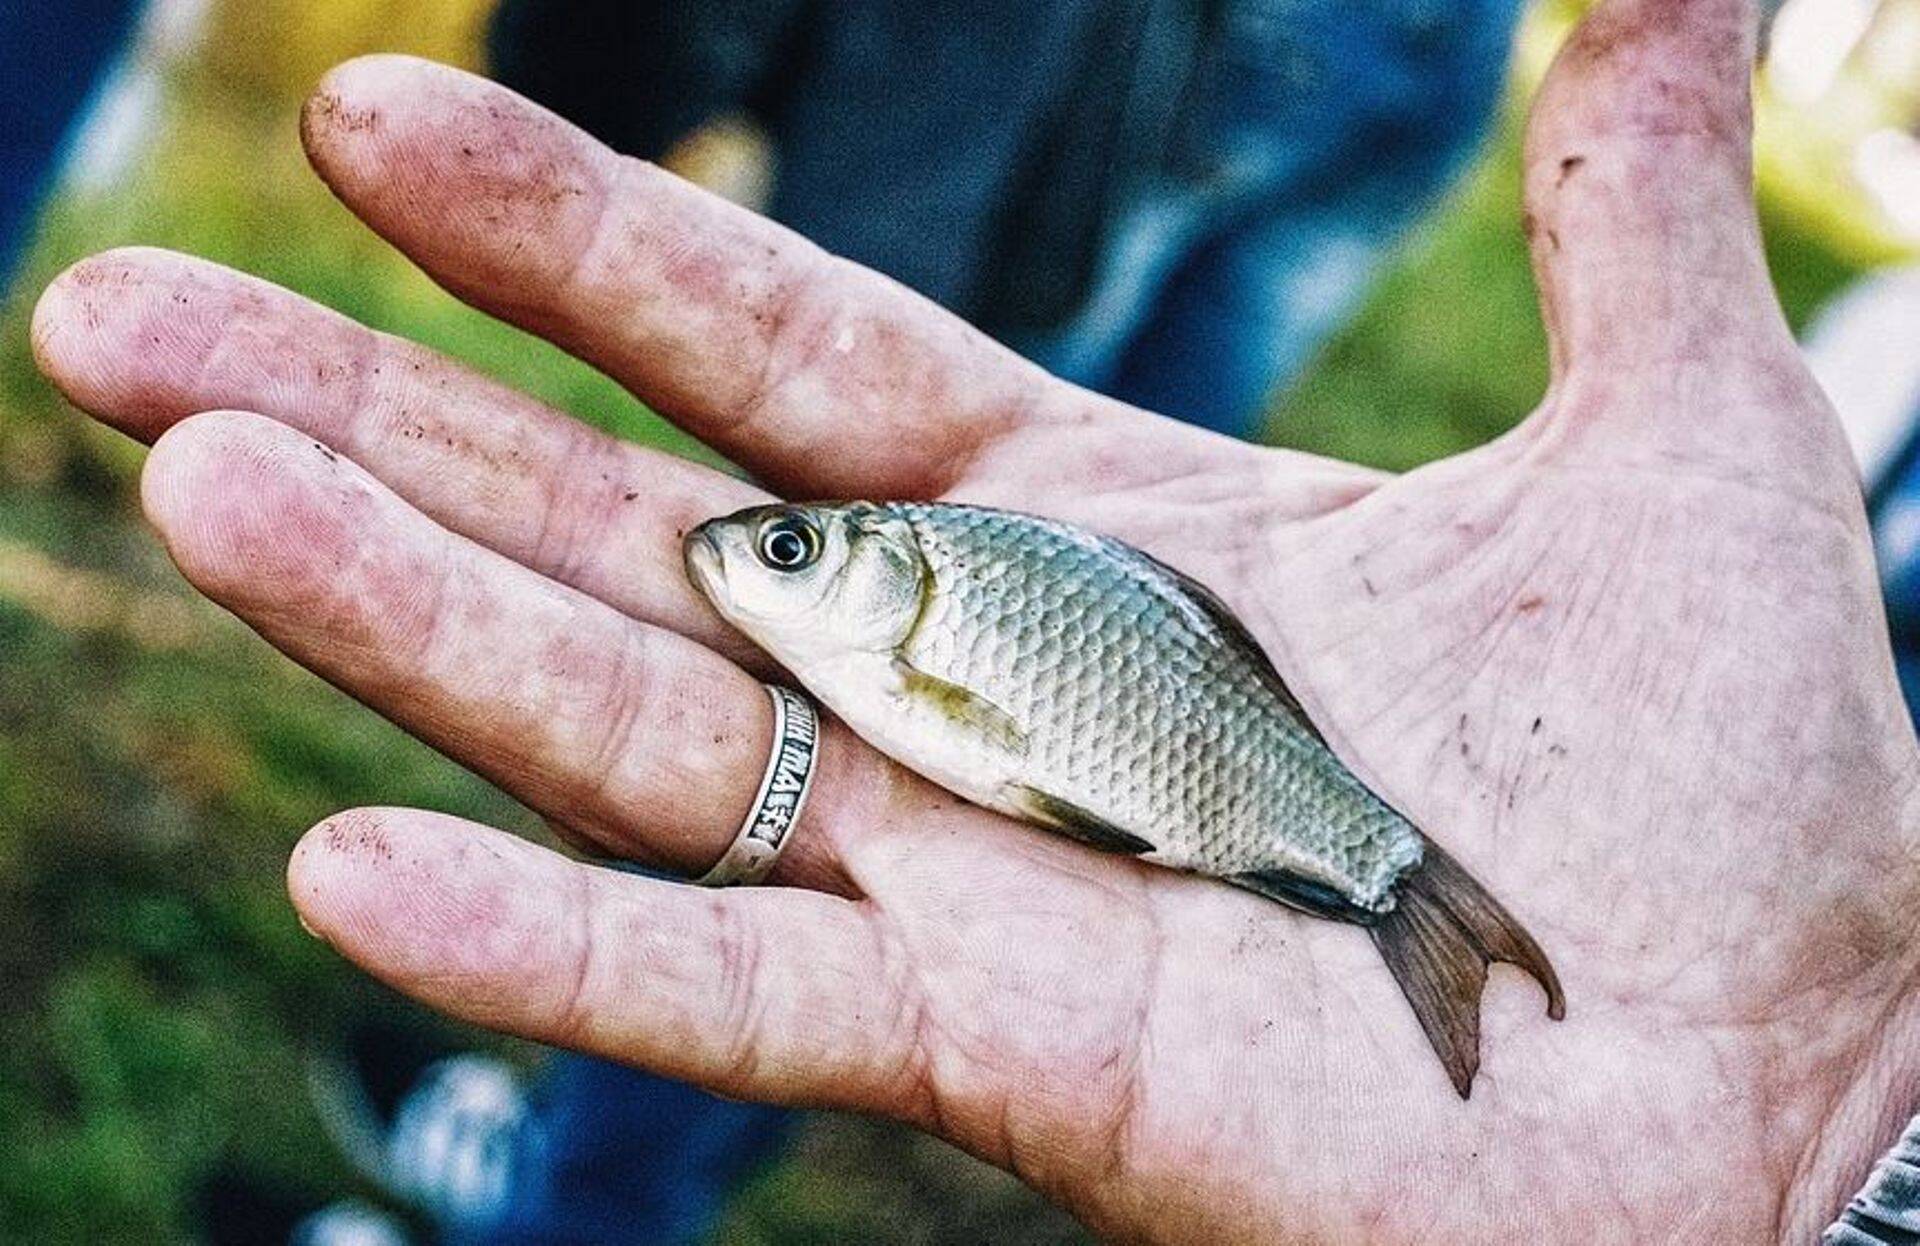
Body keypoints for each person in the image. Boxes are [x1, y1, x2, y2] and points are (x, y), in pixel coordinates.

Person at [25, 0, 1920, 1239]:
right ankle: (601, 1186)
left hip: (1039, 62)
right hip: (1399, 53)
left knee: (836, 797)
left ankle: (568, 1209)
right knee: (1124, 495)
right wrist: (1851, 1179)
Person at [487, 0, 1526, 438]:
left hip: (1089, 90)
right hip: (1426, 47)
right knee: (1124, 535)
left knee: (923, 510)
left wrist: (590, 76)